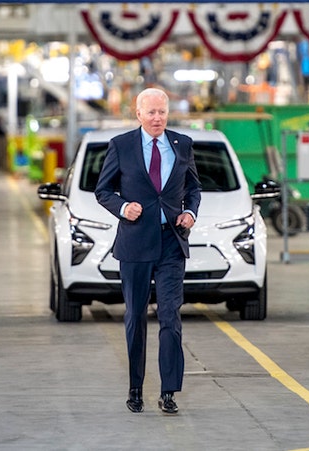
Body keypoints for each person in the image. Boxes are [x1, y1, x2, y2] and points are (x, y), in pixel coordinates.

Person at [94, 87, 201, 415]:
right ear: (138, 114)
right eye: (151, 112)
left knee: (170, 316)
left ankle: (169, 391)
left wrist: (190, 213)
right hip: (135, 244)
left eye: (162, 112)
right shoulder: (121, 146)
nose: (157, 118)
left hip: (171, 241)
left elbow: (194, 188)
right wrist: (123, 206)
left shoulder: (182, 145)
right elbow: (103, 190)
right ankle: (135, 388)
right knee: (136, 318)